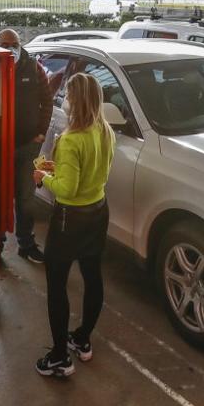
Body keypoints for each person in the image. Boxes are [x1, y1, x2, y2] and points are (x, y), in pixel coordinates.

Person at [32, 72, 115, 378]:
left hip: (70, 220)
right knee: (93, 277)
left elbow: (66, 190)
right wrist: (62, 172)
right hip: (98, 212)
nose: (63, 100)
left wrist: (44, 177)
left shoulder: (70, 140)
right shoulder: (105, 131)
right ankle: (82, 339)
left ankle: (58, 358)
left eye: (67, 95)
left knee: (57, 286)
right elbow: (95, 173)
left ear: (75, 101)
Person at [0, 28, 53, 272]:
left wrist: (41, 133)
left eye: (14, 44)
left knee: (26, 199)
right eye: (5, 44)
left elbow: (47, 100)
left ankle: (26, 243)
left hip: (28, 147)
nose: (10, 48)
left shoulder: (33, 68)